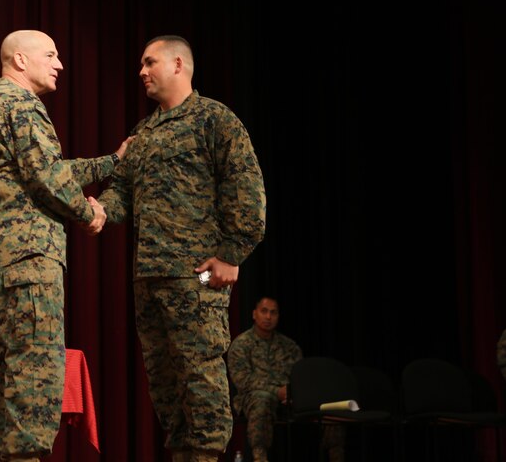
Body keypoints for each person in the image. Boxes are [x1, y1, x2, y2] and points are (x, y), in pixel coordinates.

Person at [96, 35, 267, 462]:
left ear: (178, 64)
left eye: (149, 62)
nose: (141, 71)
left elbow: (249, 193)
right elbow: (121, 195)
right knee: (167, 391)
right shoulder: (144, 132)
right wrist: (94, 210)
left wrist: (231, 254)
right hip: (149, 282)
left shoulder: (215, 120)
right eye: (141, 64)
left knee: (202, 383)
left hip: (196, 279)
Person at [0, 29, 131, 461]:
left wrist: (111, 162)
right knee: (35, 373)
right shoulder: (19, 104)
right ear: (20, 60)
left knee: (4, 371)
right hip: (29, 259)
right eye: (52, 55)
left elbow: (46, 168)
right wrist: (91, 214)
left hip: (5, 261)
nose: (59, 65)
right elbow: (48, 178)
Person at [227, 297, 345, 462]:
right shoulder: (241, 344)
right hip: (253, 398)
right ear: (254, 314)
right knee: (262, 398)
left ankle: (335, 456)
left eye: (273, 312)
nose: (268, 317)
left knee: (328, 401)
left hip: (290, 399)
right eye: (264, 311)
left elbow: (301, 377)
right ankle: (260, 458)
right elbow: (243, 380)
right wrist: (277, 392)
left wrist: (292, 393)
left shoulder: (289, 346)